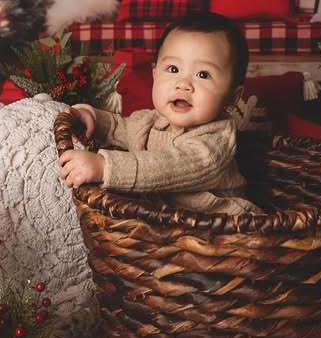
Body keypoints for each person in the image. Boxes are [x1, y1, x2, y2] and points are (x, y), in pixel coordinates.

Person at [58, 11, 261, 215]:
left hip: (225, 229)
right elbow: (119, 127)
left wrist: (105, 167)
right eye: (173, 69)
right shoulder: (149, 121)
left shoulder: (216, 141)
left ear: (232, 97)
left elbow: (169, 166)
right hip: (166, 230)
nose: (183, 84)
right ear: (155, 76)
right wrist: (91, 117)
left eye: (203, 74)